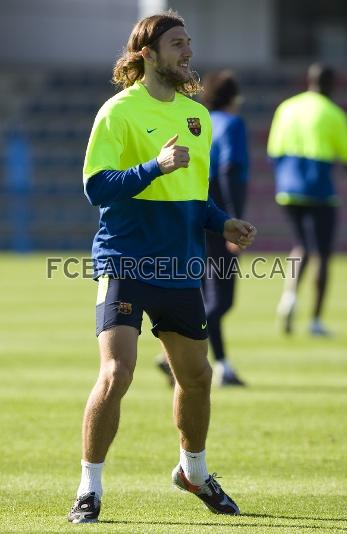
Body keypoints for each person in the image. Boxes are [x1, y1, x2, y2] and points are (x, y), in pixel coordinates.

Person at [68, 10, 256, 524]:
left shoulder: (197, 117)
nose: (188, 52)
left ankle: (193, 472)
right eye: (178, 44)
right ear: (147, 54)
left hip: (179, 266)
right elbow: (96, 187)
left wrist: (223, 223)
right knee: (117, 372)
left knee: (197, 377)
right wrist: (154, 166)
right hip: (125, 260)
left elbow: (194, 196)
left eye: (189, 42)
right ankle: (89, 488)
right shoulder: (117, 112)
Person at [157, 70, 250, 388]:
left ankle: (221, 365)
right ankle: (178, 355)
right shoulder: (233, 124)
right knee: (220, 301)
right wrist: (232, 220)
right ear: (234, 98)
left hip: (193, 214)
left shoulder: (200, 122)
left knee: (205, 294)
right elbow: (228, 171)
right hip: (218, 220)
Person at [267, 63, 347, 335]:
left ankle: (289, 297)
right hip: (319, 189)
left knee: (301, 244)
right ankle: (315, 320)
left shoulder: (286, 108)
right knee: (322, 253)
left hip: (287, 189)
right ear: (331, 85)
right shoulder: (333, 113)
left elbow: (273, 152)